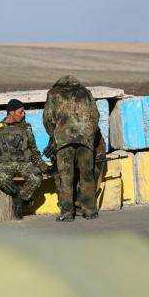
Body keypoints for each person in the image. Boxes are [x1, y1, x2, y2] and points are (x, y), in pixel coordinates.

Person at [0, 99, 48, 219]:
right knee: (0, 177)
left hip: (24, 163)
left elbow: (34, 151)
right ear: (11, 112)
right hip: (3, 164)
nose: (23, 114)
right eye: (21, 112)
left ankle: (21, 199)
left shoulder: (26, 128)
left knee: (36, 177)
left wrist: (43, 166)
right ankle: (17, 196)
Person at [43, 75, 99, 222]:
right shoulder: (86, 92)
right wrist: (89, 135)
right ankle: (90, 211)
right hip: (85, 140)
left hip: (63, 141)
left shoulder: (54, 93)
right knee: (87, 176)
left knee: (65, 177)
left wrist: (54, 135)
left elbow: (48, 118)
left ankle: (67, 213)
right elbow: (95, 116)